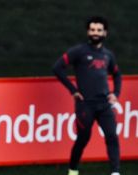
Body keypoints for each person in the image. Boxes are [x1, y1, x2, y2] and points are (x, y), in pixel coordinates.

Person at [53, 16, 122, 175]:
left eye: (98, 30)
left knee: (112, 136)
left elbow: (117, 74)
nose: (95, 33)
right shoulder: (79, 51)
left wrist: (115, 93)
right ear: (88, 32)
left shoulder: (108, 55)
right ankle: (73, 170)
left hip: (104, 104)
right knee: (83, 138)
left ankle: (115, 172)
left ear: (105, 32)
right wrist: (73, 90)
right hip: (85, 105)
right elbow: (57, 68)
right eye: (92, 30)